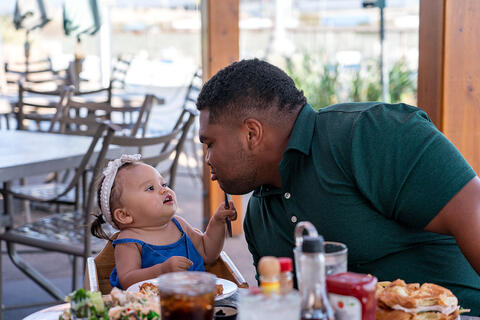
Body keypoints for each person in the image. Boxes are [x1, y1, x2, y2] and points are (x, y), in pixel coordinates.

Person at [196, 58, 480, 314]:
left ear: (251, 133)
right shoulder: (258, 214)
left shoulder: (371, 134)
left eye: (210, 144)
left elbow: (474, 213)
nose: (208, 159)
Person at [91, 154, 237, 290]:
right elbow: (127, 279)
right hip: (152, 310)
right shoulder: (129, 241)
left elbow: (208, 253)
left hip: (195, 302)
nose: (163, 190)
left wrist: (218, 222)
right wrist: (162, 270)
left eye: (164, 184)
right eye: (150, 188)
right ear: (124, 215)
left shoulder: (178, 225)